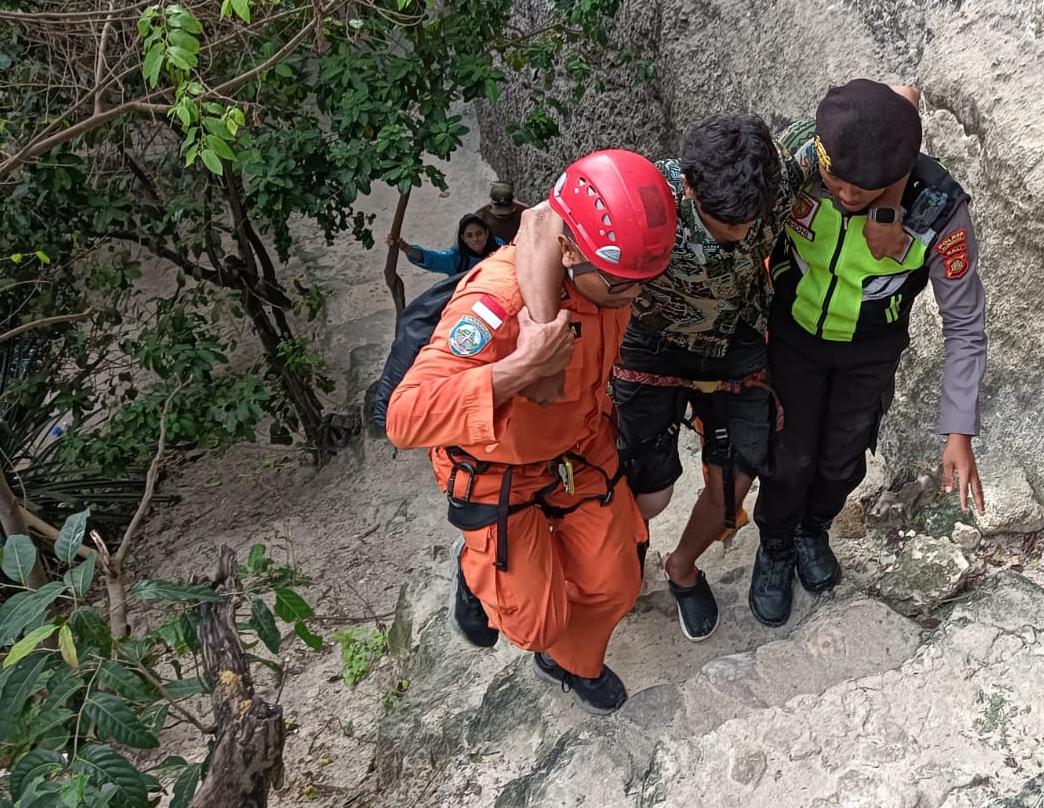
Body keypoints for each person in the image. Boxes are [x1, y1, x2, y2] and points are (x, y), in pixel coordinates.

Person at [385, 150, 677, 714]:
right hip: (496, 468)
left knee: (617, 582)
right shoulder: (496, 303)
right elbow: (405, 417)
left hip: (576, 446)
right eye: (622, 286)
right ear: (570, 251)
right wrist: (519, 369)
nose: (634, 298)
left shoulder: (607, 267)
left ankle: (571, 663)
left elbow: (544, 214)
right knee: (534, 621)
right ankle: (475, 570)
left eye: (644, 283)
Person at [517, 116, 800, 642]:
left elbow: (876, 115)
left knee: (737, 475)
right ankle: (627, 558)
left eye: (751, 221)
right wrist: (541, 341)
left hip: (734, 335)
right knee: (648, 488)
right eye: (725, 221)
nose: (741, 234)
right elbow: (539, 222)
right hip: (648, 340)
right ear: (689, 187)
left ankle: (683, 566)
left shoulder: (778, 173)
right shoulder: (647, 192)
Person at [750, 79, 988, 627]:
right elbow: (902, 94)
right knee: (789, 456)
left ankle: (813, 529)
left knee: (842, 459)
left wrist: (959, 430)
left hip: (870, 350)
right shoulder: (802, 159)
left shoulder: (937, 210)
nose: (847, 195)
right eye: (837, 179)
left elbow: (965, 323)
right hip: (792, 335)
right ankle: (776, 543)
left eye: (866, 187)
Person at [391, 212, 502, 276]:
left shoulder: (500, 249)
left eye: (479, 234)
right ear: (463, 238)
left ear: (487, 233)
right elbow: (433, 259)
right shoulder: (456, 258)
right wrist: (407, 249)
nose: (475, 239)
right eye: (469, 235)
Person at [476, 181, 531, 245]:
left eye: (506, 206)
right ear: (491, 202)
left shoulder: (525, 212)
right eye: (498, 206)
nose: (502, 214)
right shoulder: (480, 218)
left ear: (512, 203)